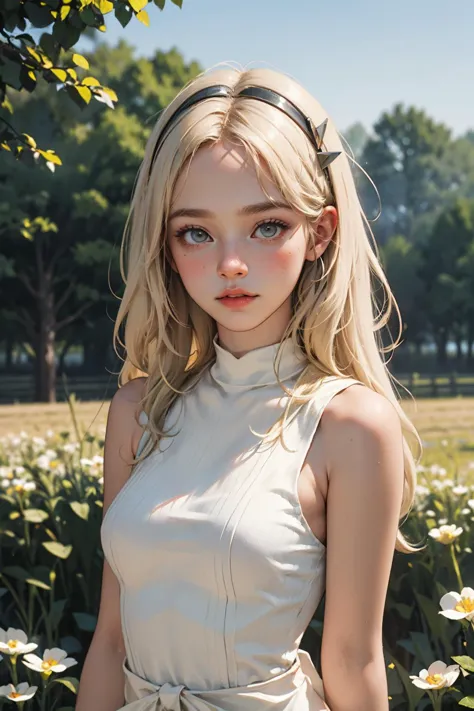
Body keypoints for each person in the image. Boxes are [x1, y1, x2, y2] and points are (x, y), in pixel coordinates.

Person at [75, 65, 423, 711]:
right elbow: (111, 641)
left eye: (267, 226)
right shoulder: (137, 411)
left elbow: (353, 658)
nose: (230, 262)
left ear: (320, 232)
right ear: (166, 243)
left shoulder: (349, 425)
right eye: (196, 232)